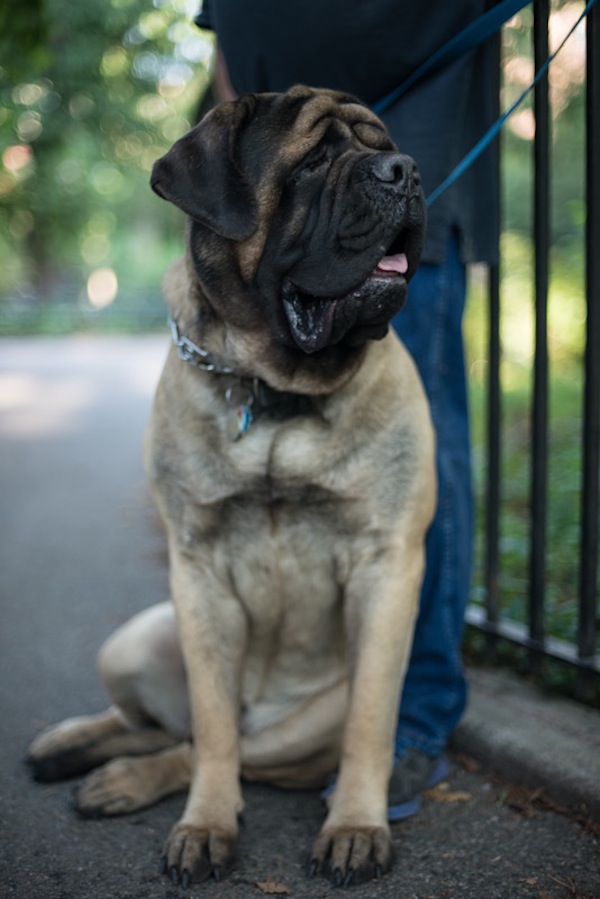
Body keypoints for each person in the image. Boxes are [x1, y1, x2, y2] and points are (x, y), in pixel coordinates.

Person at [194, 0, 500, 820]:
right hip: (274, 201)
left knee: (409, 493)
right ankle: (289, 713)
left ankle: (411, 719)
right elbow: (227, 36)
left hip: (418, 162)